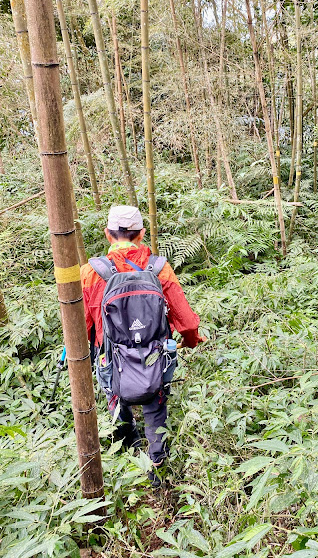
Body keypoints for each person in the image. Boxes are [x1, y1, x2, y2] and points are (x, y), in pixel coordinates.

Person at [80, 205, 203, 486]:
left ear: (107, 234)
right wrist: (191, 339)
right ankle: (157, 464)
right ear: (142, 234)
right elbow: (186, 321)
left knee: (116, 398)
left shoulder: (90, 272)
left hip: (111, 360)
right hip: (155, 357)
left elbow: (83, 324)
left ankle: (129, 445)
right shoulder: (159, 268)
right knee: (156, 406)